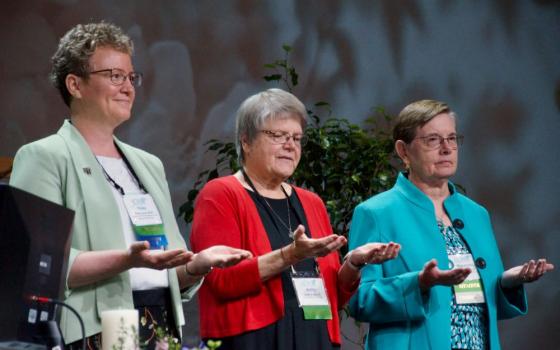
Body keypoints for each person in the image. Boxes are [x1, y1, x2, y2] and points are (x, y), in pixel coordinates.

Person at [9, 22, 251, 349]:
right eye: (114, 76)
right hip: (92, 327)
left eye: (131, 77)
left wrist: (197, 264)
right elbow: (38, 265)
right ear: (75, 84)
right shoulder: (43, 157)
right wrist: (127, 259)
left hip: (160, 324)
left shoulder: (148, 165)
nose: (128, 87)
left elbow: (169, 268)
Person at [189, 88, 401, 349]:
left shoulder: (311, 202)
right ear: (246, 141)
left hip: (314, 336)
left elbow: (334, 293)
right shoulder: (221, 194)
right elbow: (221, 281)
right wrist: (290, 255)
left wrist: (355, 263)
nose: (290, 145)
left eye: (296, 138)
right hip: (252, 339)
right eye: (278, 135)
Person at [347, 99, 554, 350]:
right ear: (403, 151)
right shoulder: (375, 213)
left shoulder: (476, 214)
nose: (447, 149)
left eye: (452, 138)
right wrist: (419, 283)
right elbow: (360, 300)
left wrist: (507, 281)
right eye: (433, 140)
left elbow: (480, 302)